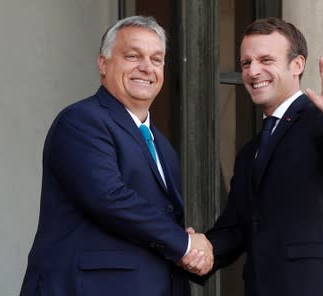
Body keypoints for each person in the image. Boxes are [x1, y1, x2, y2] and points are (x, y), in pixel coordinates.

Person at [184, 17, 323, 295]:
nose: (253, 71)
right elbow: (236, 229)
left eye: (266, 60)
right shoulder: (249, 153)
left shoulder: (320, 121)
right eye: (246, 63)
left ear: (297, 65)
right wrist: (197, 249)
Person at [19, 16, 212, 296]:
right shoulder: (81, 121)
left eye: (156, 60)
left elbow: (157, 223)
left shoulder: (164, 148)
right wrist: (184, 245)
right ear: (103, 64)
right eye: (133, 56)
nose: (146, 67)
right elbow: (109, 198)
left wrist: (193, 250)